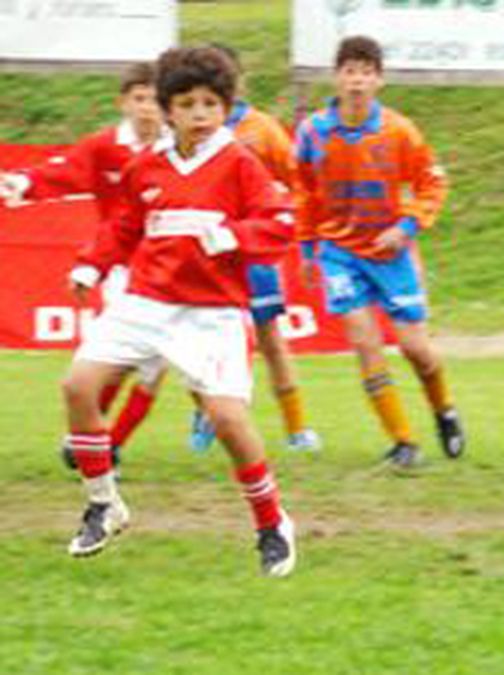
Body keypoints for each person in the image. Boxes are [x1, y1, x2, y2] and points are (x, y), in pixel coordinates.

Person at [61, 46, 297, 577]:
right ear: (168, 109)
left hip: (211, 313)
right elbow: (123, 228)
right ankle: (104, 503)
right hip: (146, 302)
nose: (199, 113)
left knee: (229, 421)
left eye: (210, 103)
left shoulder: (240, 163)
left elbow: (280, 226)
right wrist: (90, 266)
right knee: (78, 385)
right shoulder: (149, 166)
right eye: (187, 103)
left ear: (226, 107)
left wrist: (231, 235)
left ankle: (270, 522)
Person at [294, 35, 463, 468]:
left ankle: (444, 410)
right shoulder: (313, 133)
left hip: (390, 255)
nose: (357, 81)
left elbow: (432, 182)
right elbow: (305, 193)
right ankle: (403, 442)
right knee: (364, 341)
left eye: (366, 72)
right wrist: (308, 249)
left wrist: (405, 227)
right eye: (349, 71)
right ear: (337, 78)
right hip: (338, 252)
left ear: (379, 80)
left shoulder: (398, 131)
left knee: (415, 349)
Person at [0, 63, 171, 470]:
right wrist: (19, 183)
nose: (147, 109)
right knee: (120, 362)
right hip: (122, 271)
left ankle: (107, 444)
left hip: (171, 272)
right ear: (124, 103)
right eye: (139, 99)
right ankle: (88, 438)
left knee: (153, 369)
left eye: (154, 100)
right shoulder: (105, 147)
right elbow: (62, 174)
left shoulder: (176, 148)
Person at [184, 42, 321, 454]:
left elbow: (299, 181)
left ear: (236, 82)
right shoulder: (188, 132)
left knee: (270, 340)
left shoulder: (261, 129)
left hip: (254, 255)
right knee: (193, 347)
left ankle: (297, 430)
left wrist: (279, 220)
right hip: (205, 255)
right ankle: (206, 410)